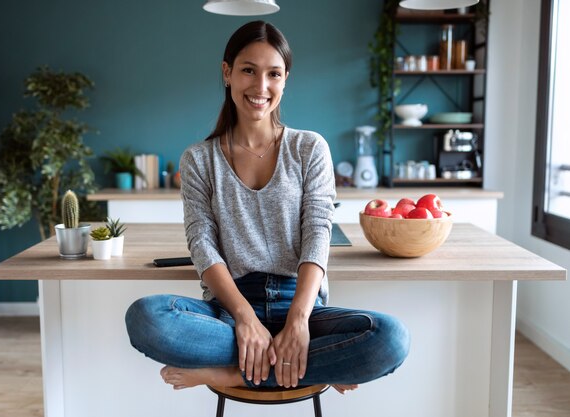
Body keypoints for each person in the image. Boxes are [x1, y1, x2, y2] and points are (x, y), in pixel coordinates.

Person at [125, 20, 409, 394]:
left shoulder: (310, 148)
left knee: (391, 339)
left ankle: (229, 372)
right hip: (230, 308)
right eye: (248, 71)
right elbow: (202, 245)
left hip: (302, 302)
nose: (261, 87)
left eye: (273, 74)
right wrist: (244, 318)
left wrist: (298, 322)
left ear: (285, 79)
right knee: (146, 319)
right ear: (227, 73)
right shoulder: (199, 159)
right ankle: (309, 365)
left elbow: (316, 236)